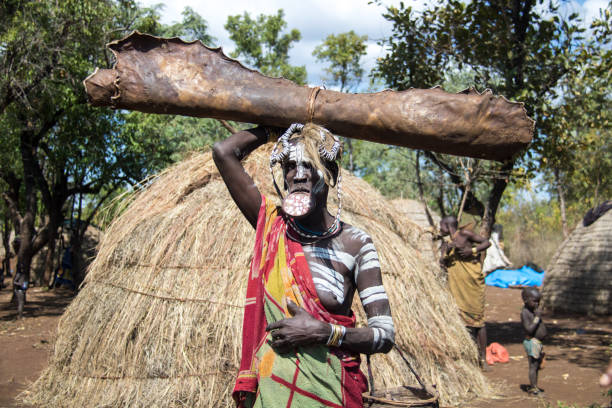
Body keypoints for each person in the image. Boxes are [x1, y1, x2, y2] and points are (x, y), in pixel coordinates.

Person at [213, 123, 395, 408]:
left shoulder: (356, 244)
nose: (299, 175)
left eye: (310, 165)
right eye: (290, 165)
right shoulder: (274, 228)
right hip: (274, 393)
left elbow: (384, 336)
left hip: (332, 392)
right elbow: (223, 152)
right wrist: (275, 129)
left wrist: (325, 332)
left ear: (330, 175)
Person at [439, 215, 491, 368]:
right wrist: (445, 254)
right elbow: (442, 264)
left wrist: (472, 250)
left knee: (479, 322)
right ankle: (467, 356)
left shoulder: (465, 235)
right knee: (462, 323)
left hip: (473, 284)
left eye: (441, 225)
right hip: (458, 288)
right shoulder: (446, 244)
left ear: (447, 226)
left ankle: (483, 358)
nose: (439, 229)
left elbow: (487, 242)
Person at [520, 287, 547, 395]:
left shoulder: (533, 311)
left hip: (537, 342)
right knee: (533, 366)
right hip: (532, 342)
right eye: (535, 301)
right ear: (526, 300)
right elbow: (529, 329)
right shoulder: (525, 313)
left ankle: (534, 386)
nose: (537, 304)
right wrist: (537, 318)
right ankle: (533, 389)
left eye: (538, 302)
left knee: (536, 366)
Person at [11, 237, 28, 319]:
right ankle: (20, 316)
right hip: (19, 289)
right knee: (21, 303)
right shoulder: (18, 274)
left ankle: (21, 315)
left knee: (22, 303)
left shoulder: (23, 274)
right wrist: (20, 284)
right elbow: (15, 282)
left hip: (22, 289)